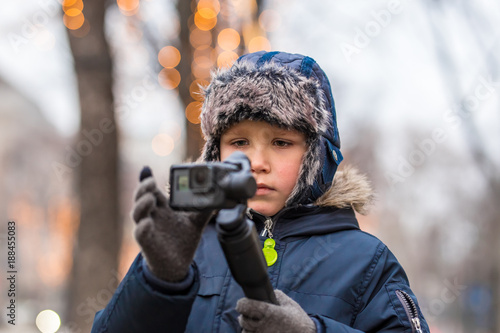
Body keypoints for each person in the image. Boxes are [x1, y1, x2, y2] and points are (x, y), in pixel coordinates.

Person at [91, 51, 430, 332]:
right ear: (215, 153)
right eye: (239, 142)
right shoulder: (186, 246)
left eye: (281, 143)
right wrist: (158, 282)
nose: (257, 162)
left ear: (317, 156)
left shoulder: (366, 261)